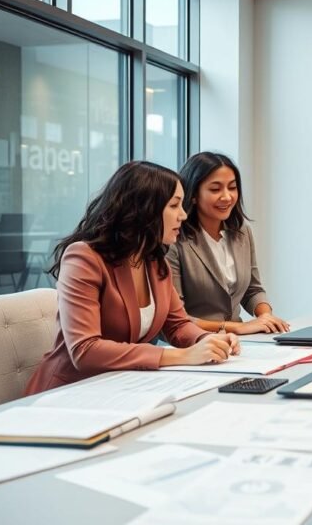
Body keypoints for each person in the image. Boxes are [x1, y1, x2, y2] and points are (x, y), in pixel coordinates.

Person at [25, 161, 240, 395]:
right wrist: (179, 355)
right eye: (175, 205)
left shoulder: (154, 261)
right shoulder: (84, 258)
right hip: (69, 393)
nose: (184, 215)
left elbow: (177, 325)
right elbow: (85, 350)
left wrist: (207, 341)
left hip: (122, 387)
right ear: (144, 210)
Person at [165, 152, 290, 335]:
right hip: (192, 343)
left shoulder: (241, 231)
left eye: (232, 187)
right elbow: (177, 318)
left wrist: (265, 318)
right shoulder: (175, 239)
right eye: (215, 189)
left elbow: (253, 290)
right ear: (192, 194)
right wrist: (236, 327)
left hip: (239, 343)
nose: (227, 197)